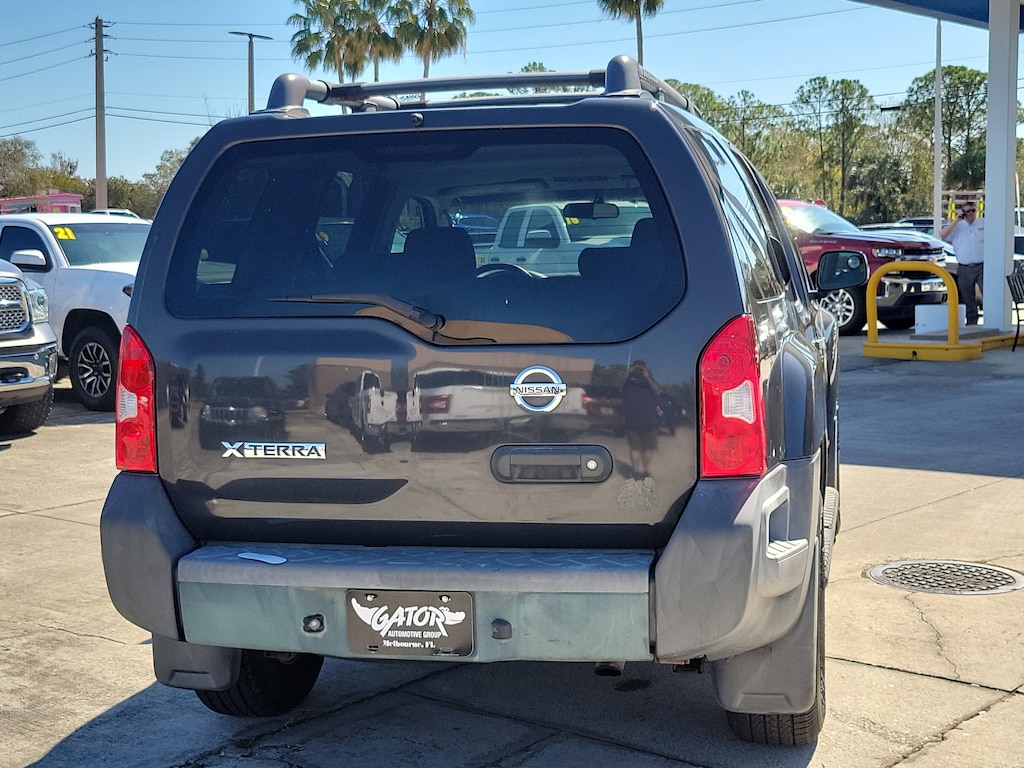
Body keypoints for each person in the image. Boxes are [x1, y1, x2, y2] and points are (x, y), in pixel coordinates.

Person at [940, 201, 985, 325]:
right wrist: (956, 221)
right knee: (968, 297)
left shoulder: (983, 223)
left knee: (988, 294)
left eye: (973, 210)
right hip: (964, 266)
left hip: (982, 266)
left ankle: (990, 322)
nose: (970, 214)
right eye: (967, 211)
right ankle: (972, 323)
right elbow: (942, 235)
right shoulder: (957, 226)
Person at [622, 359, 660, 480]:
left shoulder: (649, 381)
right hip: (633, 419)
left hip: (648, 419)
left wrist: (647, 377)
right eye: (637, 368)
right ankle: (636, 471)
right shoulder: (627, 381)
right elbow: (618, 383)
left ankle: (645, 471)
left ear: (645, 369)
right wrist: (629, 372)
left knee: (647, 448)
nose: (639, 371)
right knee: (635, 447)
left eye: (641, 369)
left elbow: (657, 391)